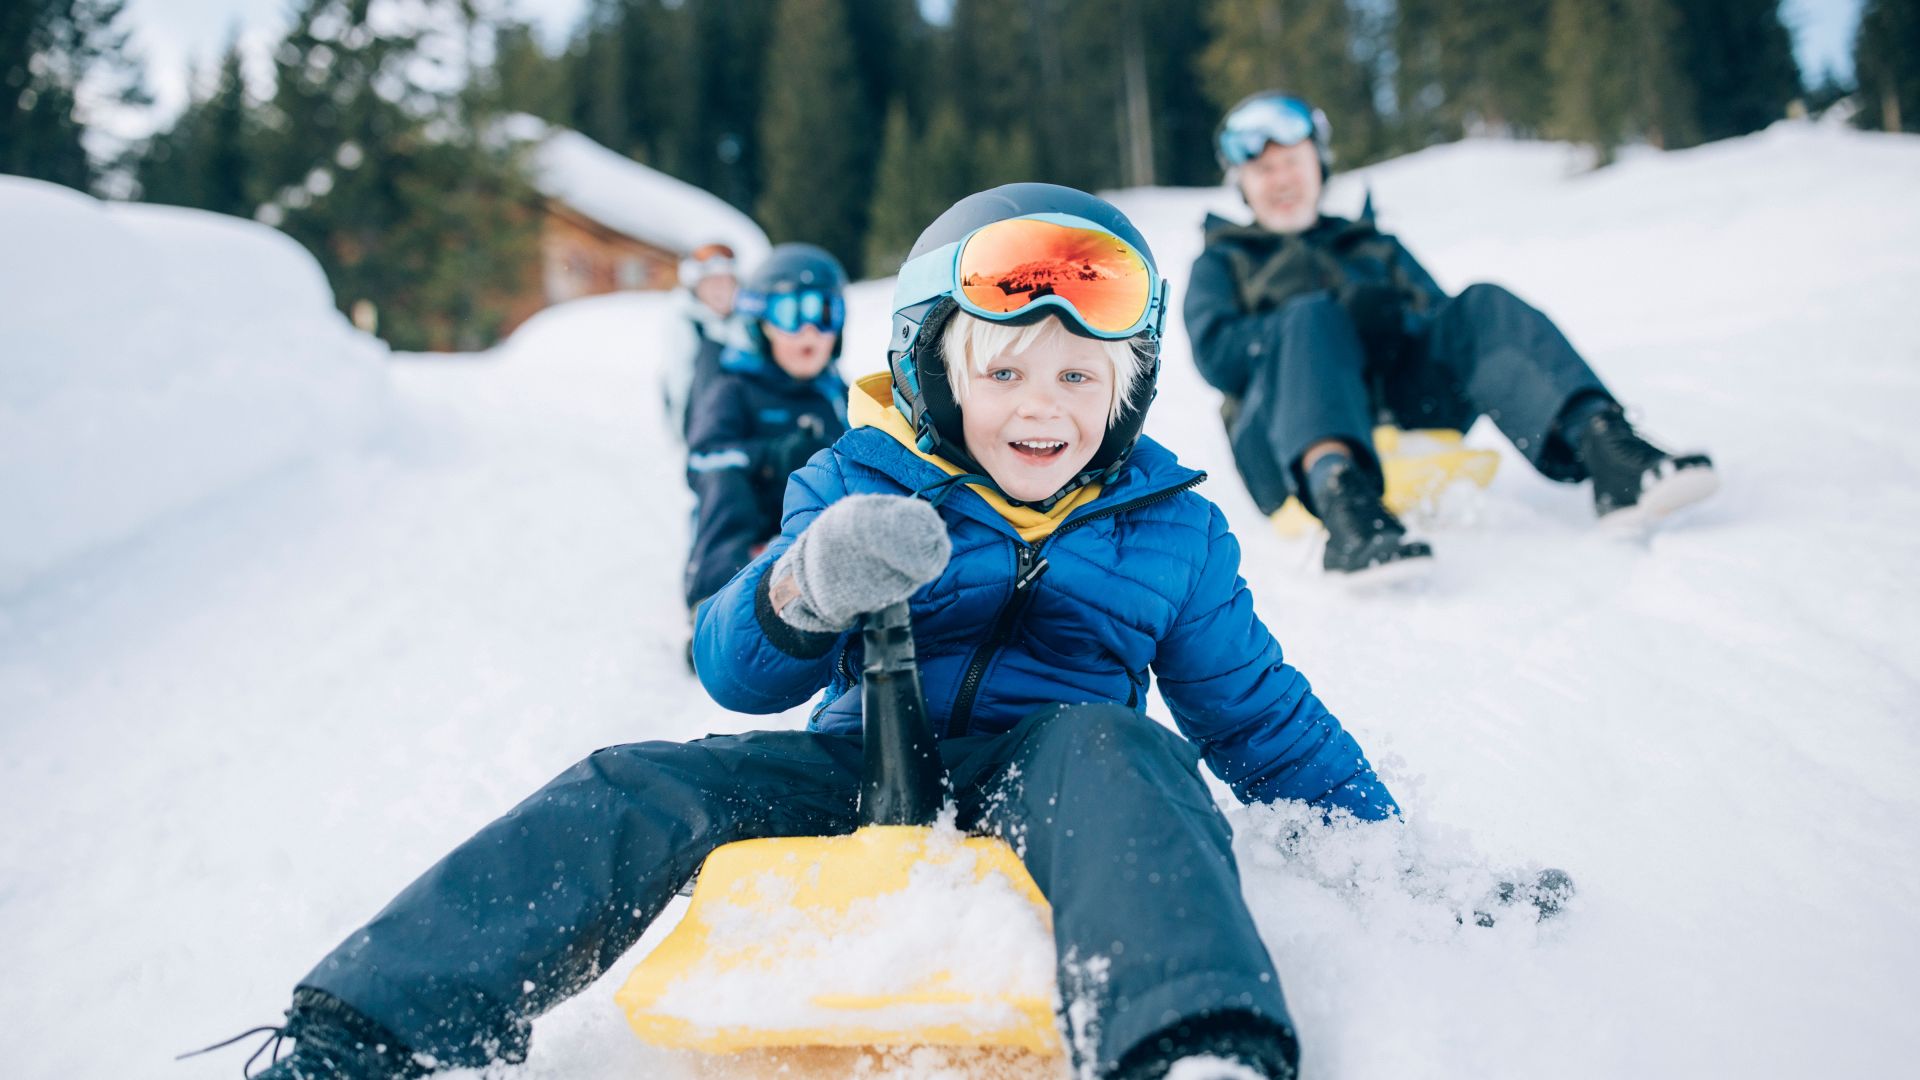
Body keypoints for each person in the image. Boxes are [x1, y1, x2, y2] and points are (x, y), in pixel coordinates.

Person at [233, 186, 1399, 1080]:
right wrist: (801, 586)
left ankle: (1192, 1038)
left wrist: (1393, 853)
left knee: (1128, 754)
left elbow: (1258, 715)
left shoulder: (1171, 531)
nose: (1043, 404)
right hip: (855, 761)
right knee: (638, 786)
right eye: (1004, 370)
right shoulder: (855, 478)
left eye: (1080, 376)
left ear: (1126, 393)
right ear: (936, 372)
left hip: (1051, 771)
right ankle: (370, 1029)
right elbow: (732, 671)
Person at [1185, 91, 1719, 579]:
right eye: (1264, 169)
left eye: (1292, 162)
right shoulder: (1222, 262)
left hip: (1405, 410)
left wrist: (1392, 322)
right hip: (1284, 446)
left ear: (1319, 165)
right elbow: (1216, 358)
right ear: (1243, 185)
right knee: (1308, 319)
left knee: (1481, 303)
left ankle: (1606, 448)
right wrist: (1311, 323)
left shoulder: (1374, 245)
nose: (1281, 180)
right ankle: (1344, 503)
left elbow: (1447, 329)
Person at [682, 243, 850, 617]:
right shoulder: (735, 387)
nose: (809, 330)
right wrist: (772, 456)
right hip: (754, 525)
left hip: (812, 531)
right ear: (763, 324)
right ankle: (714, 604)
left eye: (823, 313)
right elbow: (703, 459)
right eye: (791, 314)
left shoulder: (837, 394)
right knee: (724, 481)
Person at [659, 241, 742, 443]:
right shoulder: (686, 324)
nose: (721, 289)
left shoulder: (746, 323)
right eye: (713, 282)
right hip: (704, 429)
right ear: (697, 286)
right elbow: (679, 384)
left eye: (726, 281)